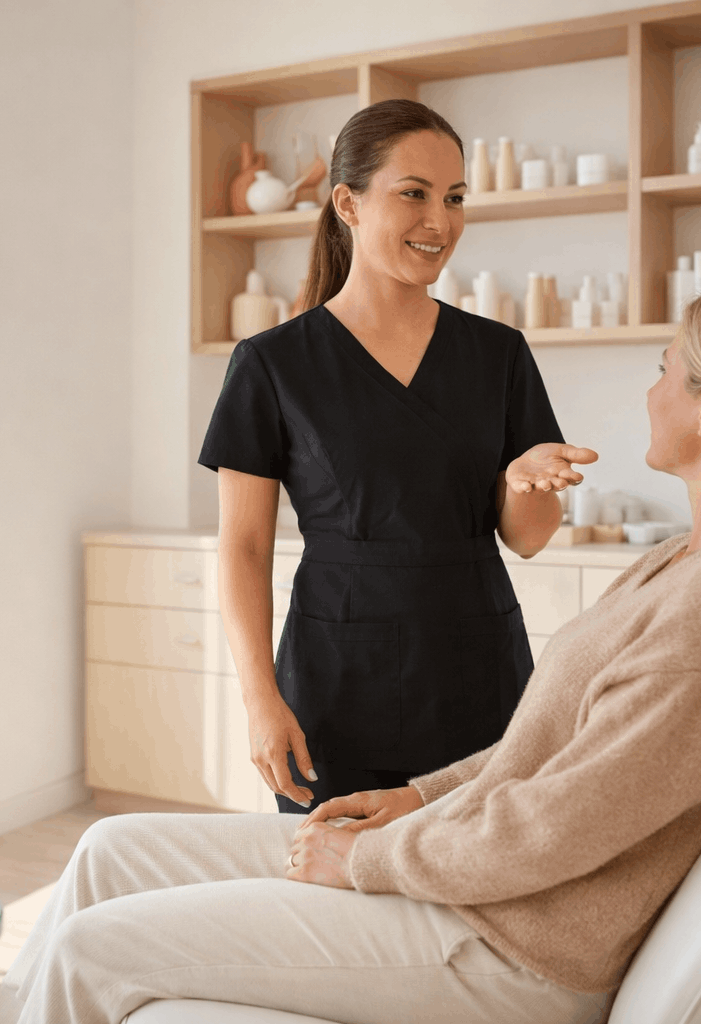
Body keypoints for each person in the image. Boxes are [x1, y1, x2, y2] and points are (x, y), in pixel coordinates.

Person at [0, 282, 701, 1024]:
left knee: (90, 948)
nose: (651, 390)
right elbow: (553, 748)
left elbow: (563, 821)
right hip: (472, 872)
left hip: (512, 940)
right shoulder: (689, 562)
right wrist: (415, 799)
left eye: (663, 369)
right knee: (110, 848)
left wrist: (368, 860)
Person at [201, 99, 598, 814]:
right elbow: (245, 545)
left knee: (474, 875)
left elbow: (529, 539)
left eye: (454, 198)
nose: (439, 222)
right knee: (331, 891)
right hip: (333, 680)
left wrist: (523, 481)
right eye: (413, 194)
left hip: (480, 670)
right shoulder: (272, 364)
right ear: (347, 204)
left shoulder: (498, 354)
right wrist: (260, 699)